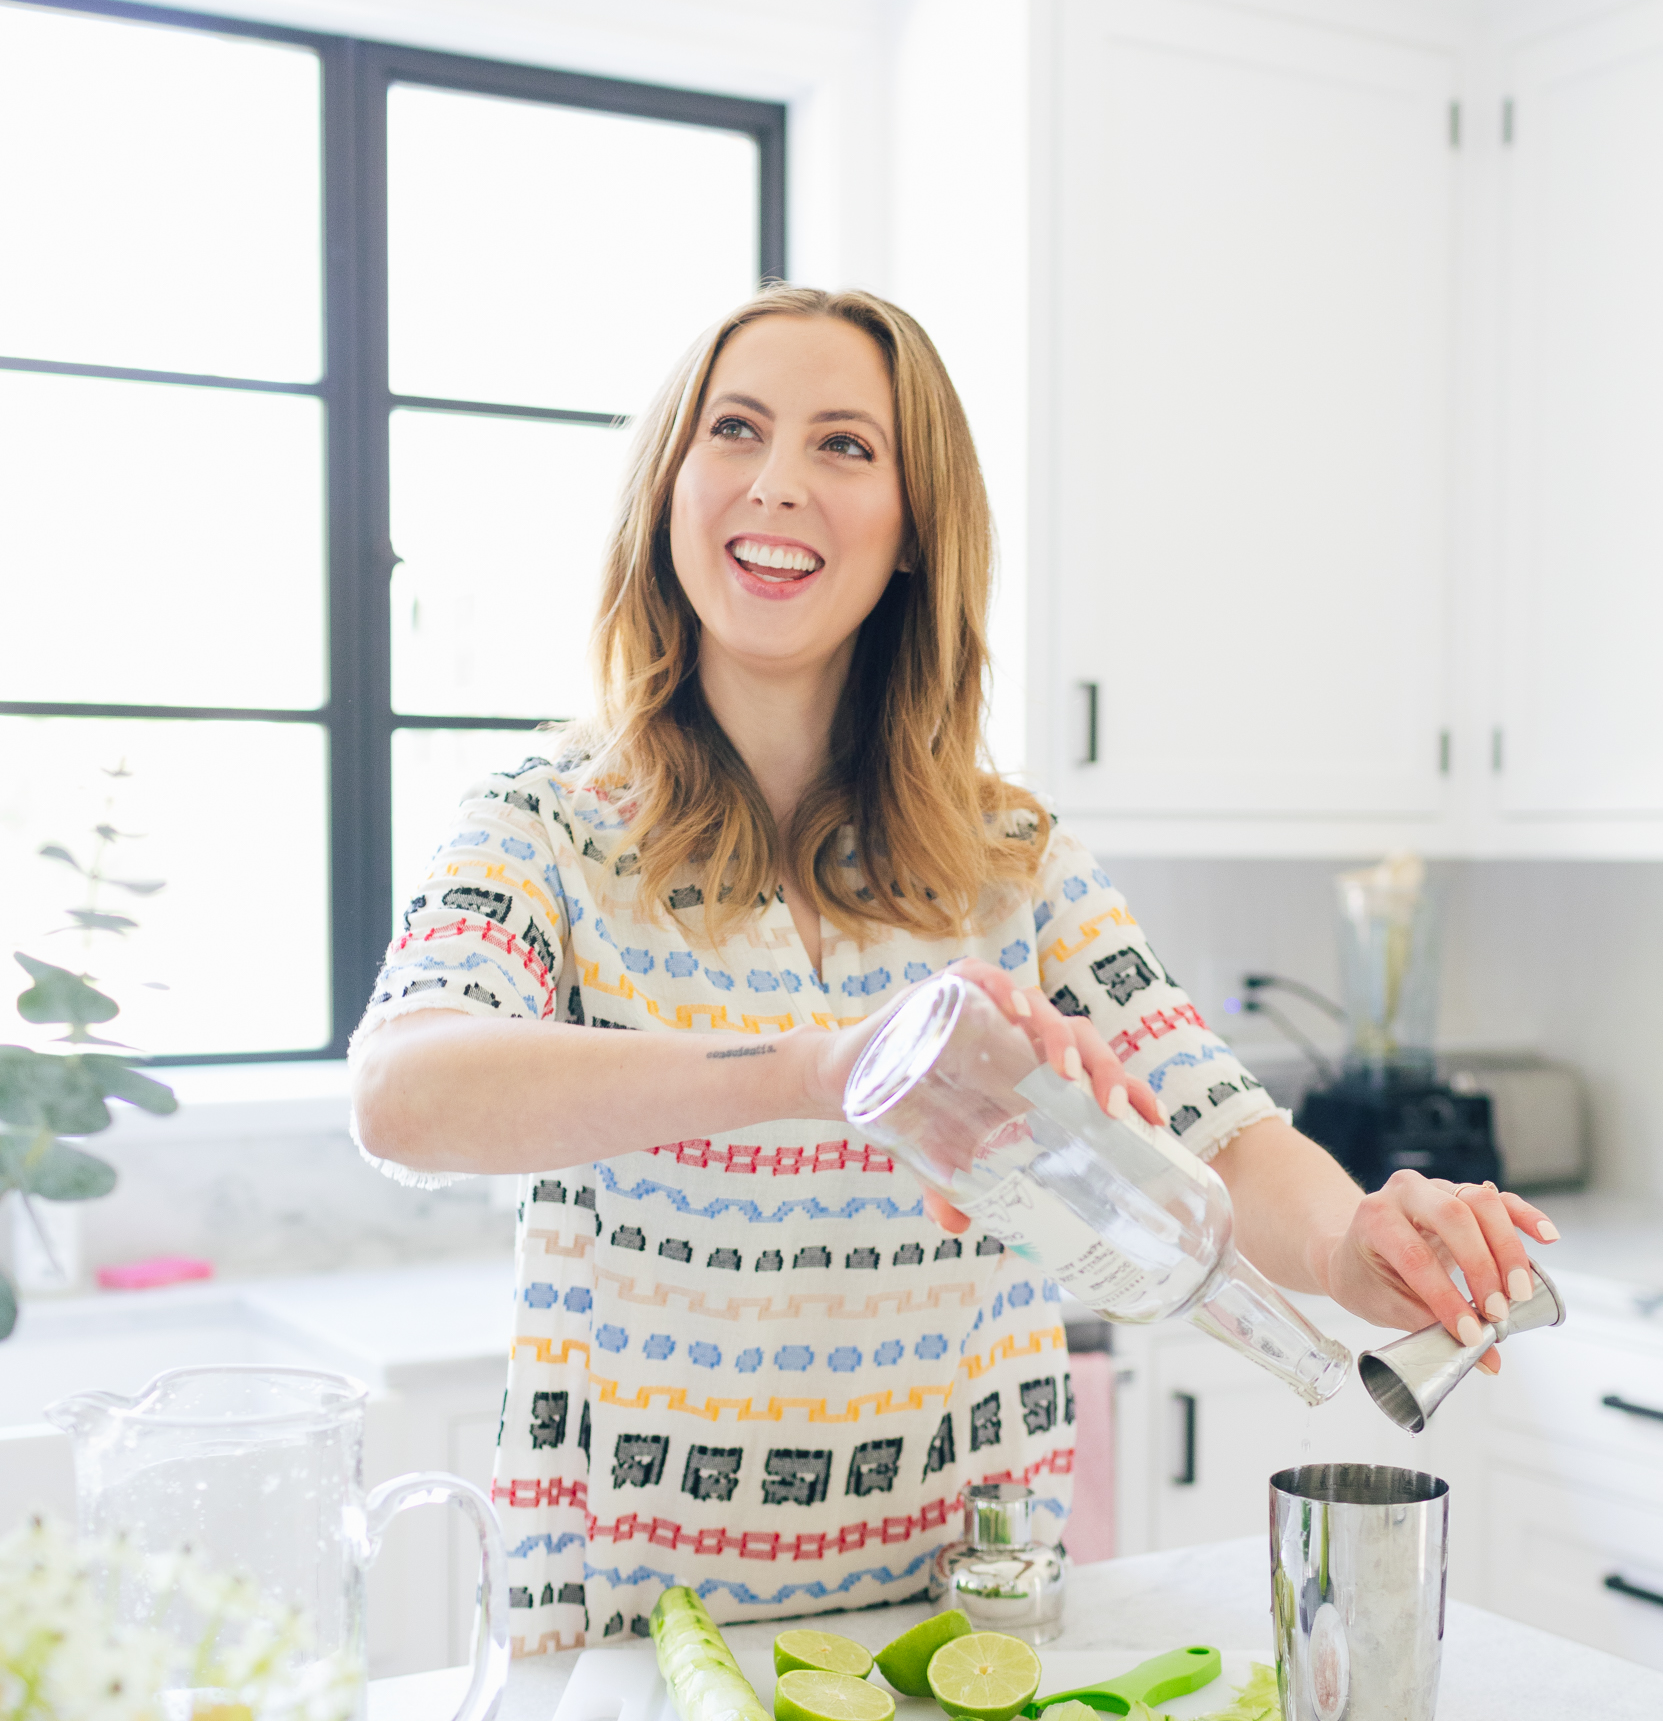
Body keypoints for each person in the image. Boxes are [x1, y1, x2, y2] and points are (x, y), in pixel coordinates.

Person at [351, 285, 1556, 1652]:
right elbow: (405, 1091)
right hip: (628, 1631)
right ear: (668, 489)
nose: (779, 483)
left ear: (916, 528)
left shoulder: (1009, 857)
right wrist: (823, 1069)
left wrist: (1353, 1243)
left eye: (846, 447)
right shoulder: (547, 824)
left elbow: (1214, 1131)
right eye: (734, 429)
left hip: (967, 1614)